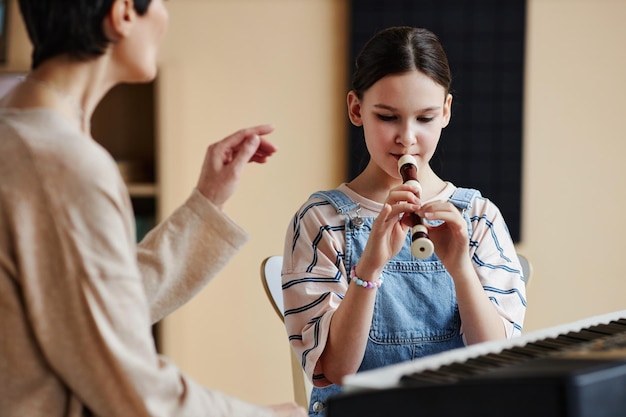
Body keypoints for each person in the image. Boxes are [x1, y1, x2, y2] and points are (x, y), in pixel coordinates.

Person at [0, 1, 306, 416]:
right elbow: (136, 393)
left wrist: (207, 201)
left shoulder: (20, 140)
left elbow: (93, 313)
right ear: (124, 11)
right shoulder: (61, 166)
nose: (165, 17)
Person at [281, 26, 527, 416]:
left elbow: (494, 362)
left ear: (445, 112)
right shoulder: (320, 221)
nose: (407, 139)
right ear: (356, 109)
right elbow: (336, 371)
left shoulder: (479, 217)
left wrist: (461, 269)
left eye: (425, 118)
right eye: (388, 117)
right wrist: (370, 267)